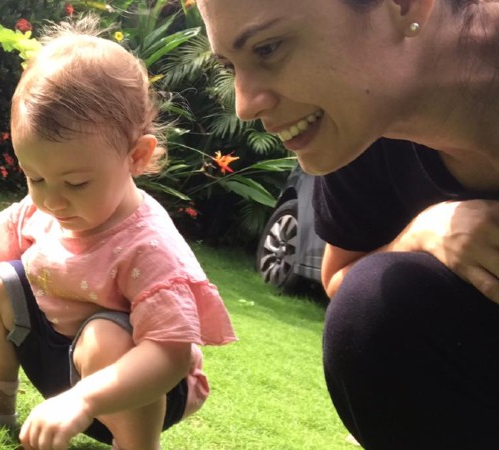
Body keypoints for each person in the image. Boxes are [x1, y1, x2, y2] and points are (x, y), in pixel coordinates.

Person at [0, 16, 236, 450]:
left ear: (136, 156)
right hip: (64, 364)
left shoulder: (149, 245)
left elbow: (170, 355)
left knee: (104, 335)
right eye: (35, 178)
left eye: (76, 183)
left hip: (143, 385)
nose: (52, 201)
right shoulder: (45, 208)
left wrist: (84, 399)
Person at [197, 0, 499, 448]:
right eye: (230, 66)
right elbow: (341, 277)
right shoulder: (357, 121)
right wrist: (419, 235)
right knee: (376, 304)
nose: (244, 105)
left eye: (269, 48)